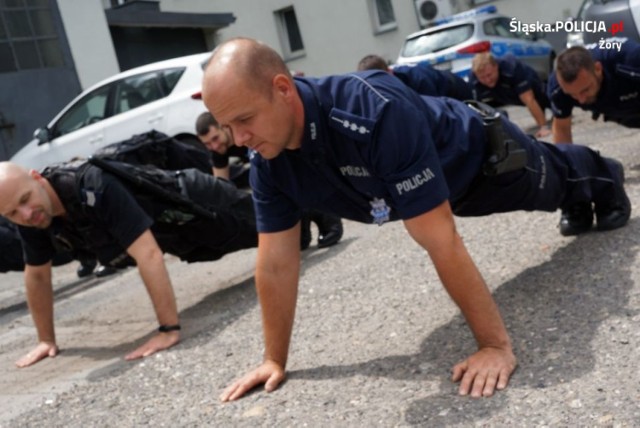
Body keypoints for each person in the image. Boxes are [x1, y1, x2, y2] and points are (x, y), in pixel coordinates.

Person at [201, 38, 631, 401]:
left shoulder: (371, 112)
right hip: (429, 193)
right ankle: (581, 199)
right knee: (553, 194)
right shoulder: (267, 160)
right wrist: (273, 359)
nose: (239, 140)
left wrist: (494, 346)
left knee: (554, 180)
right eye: (227, 126)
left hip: (479, 162)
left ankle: (606, 177)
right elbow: (276, 263)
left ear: (282, 89)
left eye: (244, 120)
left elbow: (440, 239)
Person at [0, 159, 258, 368]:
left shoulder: (91, 185)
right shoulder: (34, 217)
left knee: (289, 229)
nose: (25, 214)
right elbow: (37, 276)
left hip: (200, 204)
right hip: (184, 238)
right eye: (11, 213)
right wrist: (46, 340)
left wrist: (168, 330)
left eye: (25, 199)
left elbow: (148, 255)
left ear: (36, 178)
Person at [195, 111, 344, 249]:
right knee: (298, 241)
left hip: (285, 151)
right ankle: (301, 226)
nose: (214, 146)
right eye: (207, 144)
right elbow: (221, 188)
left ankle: (326, 217)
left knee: (285, 179)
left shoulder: (245, 131)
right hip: (267, 167)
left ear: (224, 127)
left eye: (215, 138)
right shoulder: (217, 150)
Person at [547, 39, 640, 144]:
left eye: (585, 89)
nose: (581, 100)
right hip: (616, 110)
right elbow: (562, 130)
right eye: (572, 94)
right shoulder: (557, 88)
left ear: (598, 69)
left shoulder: (630, 59)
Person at [469, 53, 551, 138]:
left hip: (538, 91)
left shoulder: (511, 68)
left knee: (556, 107)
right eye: (482, 78)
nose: (487, 80)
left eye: (489, 75)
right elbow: (476, 110)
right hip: (506, 95)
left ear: (496, 66)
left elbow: (529, 99)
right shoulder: (473, 81)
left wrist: (543, 127)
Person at [357, 54, 473, 101]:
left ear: (389, 72)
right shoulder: (391, 80)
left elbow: (435, 113)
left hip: (457, 93)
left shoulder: (418, 79)